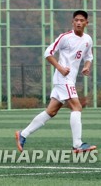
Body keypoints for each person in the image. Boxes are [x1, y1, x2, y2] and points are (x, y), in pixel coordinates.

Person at [15, 10, 96, 153]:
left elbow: (89, 57)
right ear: (72, 22)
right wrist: (60, 67)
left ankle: (23, 134)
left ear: (86, 23)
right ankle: (77, 144)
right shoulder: (65, 37)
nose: (78, 22)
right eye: (76, 20)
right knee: (76, 107)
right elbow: (48, 53)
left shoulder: (88, 39)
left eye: (81, 20)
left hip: (69, 79)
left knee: (51, 111)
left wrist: (86, 67)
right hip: (62, 78)